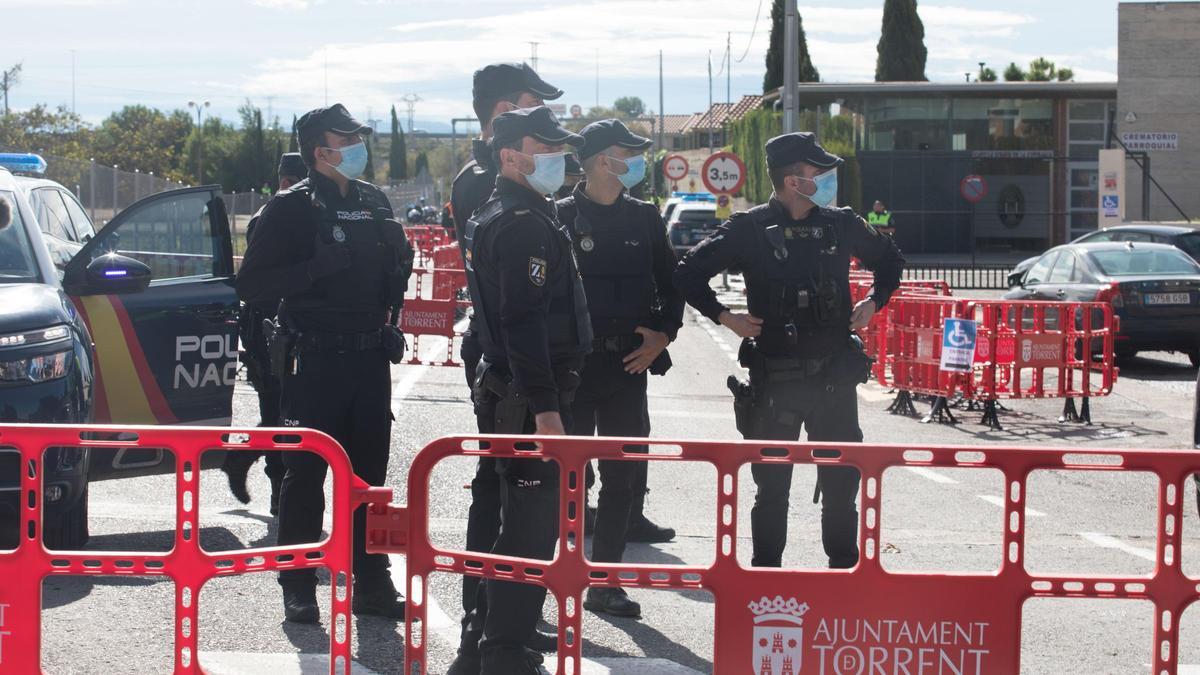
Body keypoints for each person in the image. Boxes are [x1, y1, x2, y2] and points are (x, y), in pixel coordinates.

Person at [674, 132, 904, 570]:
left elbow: (890, 260)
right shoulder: (749, 227)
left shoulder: (842, 223)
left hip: (833, 380)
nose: (827, 179)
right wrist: (727, 317)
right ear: (794, 179)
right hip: (775, 380)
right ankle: (766, 581)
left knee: (840, 486)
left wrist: (874, 301)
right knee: (772, 488)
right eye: (818, 172)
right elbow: (687, 273)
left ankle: (842, 578)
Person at [235, 104, 412, 624]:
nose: (359, 146)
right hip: (312, 360)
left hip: (368, 358)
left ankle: (371, 583)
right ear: (321, 151)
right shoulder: (290, 208)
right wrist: (313, 269)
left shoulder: (373, 202)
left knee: (369, 479)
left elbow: (391, 270)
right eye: (348, 138)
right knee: (305, 474)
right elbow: (252, 287)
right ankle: (297, 583)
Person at [448, 106, 589, 675]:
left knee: (519, 517)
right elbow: (523, 322)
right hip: (528, 395)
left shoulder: (509, 211)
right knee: (529, 526)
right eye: (545, 145)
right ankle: (503, 650)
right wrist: (548, 410)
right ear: (510, 155)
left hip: (514, 387)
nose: (558, 154)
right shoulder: (524, 223)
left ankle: (492, 638)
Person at [555, 119, 683, 619]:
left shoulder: (645, 218)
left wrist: (663, 333)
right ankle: (561, 573)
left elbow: (672, 285)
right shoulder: (559, 215)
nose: (635, 160)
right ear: (599, 161)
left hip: (628, 365)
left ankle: (605, 580)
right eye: (625, 152)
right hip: (574, 368)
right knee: (568, 476)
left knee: (624, 476)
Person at [223, 152, 308, 514]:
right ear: (288, 181)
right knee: (278, 409)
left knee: (286, 410)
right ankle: (275, 489)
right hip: (268, 329)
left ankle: (249, 465)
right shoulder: (270, 217)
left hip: (281, 328)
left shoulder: (279, 214)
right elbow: (260, 282)